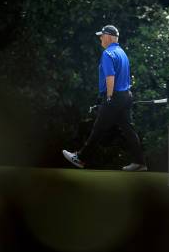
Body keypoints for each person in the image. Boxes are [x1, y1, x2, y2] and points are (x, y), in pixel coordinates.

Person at [62, 25, 147, 171]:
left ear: (108, 36)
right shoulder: (122, 53)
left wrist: (109, 97)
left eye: (102, 35)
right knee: (128, 130)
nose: (100, 38)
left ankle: (80, 158)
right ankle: (140, 163)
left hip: (114, 96)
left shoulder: (108, 54)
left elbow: (110, 77)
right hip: (126, 96)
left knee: (98, 128)